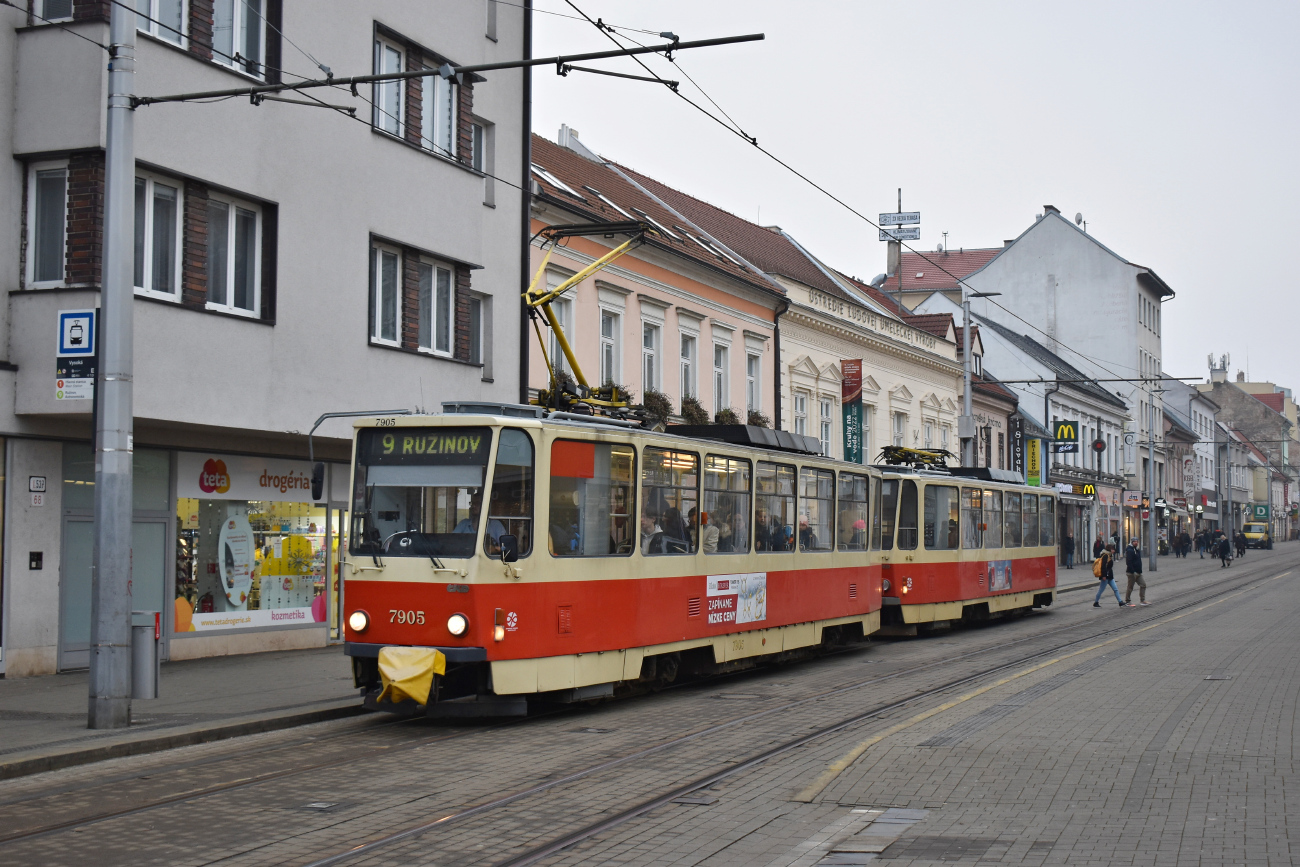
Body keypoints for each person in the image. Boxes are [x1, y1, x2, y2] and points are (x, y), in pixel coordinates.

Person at [1094, 543, 1124, 608]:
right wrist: (1104, 576)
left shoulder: (1109, 556)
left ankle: (1120, 602)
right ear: (1110, 549)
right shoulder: (1105, 556)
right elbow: (1103, 566)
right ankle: (1096, 602)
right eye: (1113, 549)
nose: (1114, 551)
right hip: (1106, 576)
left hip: (1110, 576)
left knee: (1115, 589)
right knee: (1101, 590)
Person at [1123, 538, 1147, 606]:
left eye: (1137, 541)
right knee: (1130, 587)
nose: (1136, 543)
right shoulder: (1130, 550)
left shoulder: (1136, 549)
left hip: (1138, 572)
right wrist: (1132, 571)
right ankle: (1127, 601)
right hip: (1132, 573)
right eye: (1134, 542)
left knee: (1143, 584)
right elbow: (1129, 562)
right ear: (1132, 542)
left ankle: (1142, 600)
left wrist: (1139, 570)